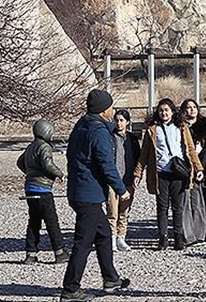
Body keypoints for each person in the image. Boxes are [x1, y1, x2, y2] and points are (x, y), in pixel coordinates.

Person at [61, 89, 131, 301]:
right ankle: (70, 289)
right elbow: (106, 165)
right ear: (104, 110)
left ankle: (110, 278)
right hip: (88, 195)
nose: (113, 110)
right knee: (82, 243)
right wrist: (121, 189)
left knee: (103, 234)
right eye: (111, 107)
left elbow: (104, 130)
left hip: (78, 191)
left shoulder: (82, 124)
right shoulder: (98, 132)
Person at [136, 98, 204, 250]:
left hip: (178, 173)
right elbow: (144, 155)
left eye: (166, 110)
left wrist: (198, 169)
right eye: (161, 110)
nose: (164, 113)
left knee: (178, 207)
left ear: (173, 112)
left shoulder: (181, 127)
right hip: (161, 173)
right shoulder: (152, 130)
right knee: (162, 207)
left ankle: (178, 237)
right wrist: (137, 174)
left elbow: (191, 150)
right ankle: (163, 237)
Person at [17, 118, 67, 264]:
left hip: (29, 189)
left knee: (34, 221)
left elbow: (19, 162)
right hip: (43, 189)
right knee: (52, 222)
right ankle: (60, 252)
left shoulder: (30, 147)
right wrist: (60, 174)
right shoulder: (44, 147)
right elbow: (47, 164)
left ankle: (30, 254)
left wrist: (30, 173)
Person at [107, 109, 140, 252]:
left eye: (122, 120)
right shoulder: (109, 137)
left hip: (128, 179)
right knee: (112, 211)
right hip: (113, 180)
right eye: (117, 120)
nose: (119, 123)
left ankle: (122, 237)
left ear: (127, 122)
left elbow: (139, 158)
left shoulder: (132, 139)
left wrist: (137, 176)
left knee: (124, 210)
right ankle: (112, 238)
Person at [182, 99, 206, 245]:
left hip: (204, 165)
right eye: (188, 107)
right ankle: (188, 232)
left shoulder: (205, 125)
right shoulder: (181, 127)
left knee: (203, 200)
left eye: (194, 107)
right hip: (188, 167)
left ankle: (203, 231)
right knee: (187, 201)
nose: (192, 110)